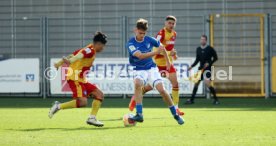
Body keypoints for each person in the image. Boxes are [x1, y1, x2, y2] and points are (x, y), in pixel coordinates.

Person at [126, 18, 184, 125]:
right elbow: (140, 56)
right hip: (138, 69)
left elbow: (162, 48)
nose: (142, 35)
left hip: (152, 69)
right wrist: (156, 52)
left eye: (144, 33)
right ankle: (139, 114)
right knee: (138, 83)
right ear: (135, 30)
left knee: (162, 90)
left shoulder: (149, 39)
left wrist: (168, 62)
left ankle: (175, 114)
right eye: (140, 33)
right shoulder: (131, 43)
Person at [48, 32, 108, 127]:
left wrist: (59, 63)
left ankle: (92, 118)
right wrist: (70, 61)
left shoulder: (88, 48)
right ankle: (58, 106)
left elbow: (73, 55)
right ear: (98, 44)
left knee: (99, 95)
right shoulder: (90, 50)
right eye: (103, 46)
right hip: (74, 78)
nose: (103, 48)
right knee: (82, 102)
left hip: (81, 78)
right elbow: (78, 56)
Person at [185, 35, 219, 105]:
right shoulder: (198, 49)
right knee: (196, 84)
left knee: (207, 83)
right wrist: (191, 66)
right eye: (201, 39)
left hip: (208, 69)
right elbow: (197, 59)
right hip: (200, 69)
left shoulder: (210, 48)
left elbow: (216, 58)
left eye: (204, 40)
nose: (202, 41)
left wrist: (209, 63)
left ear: (206, 41)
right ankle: (191, 100)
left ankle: (216, 100)